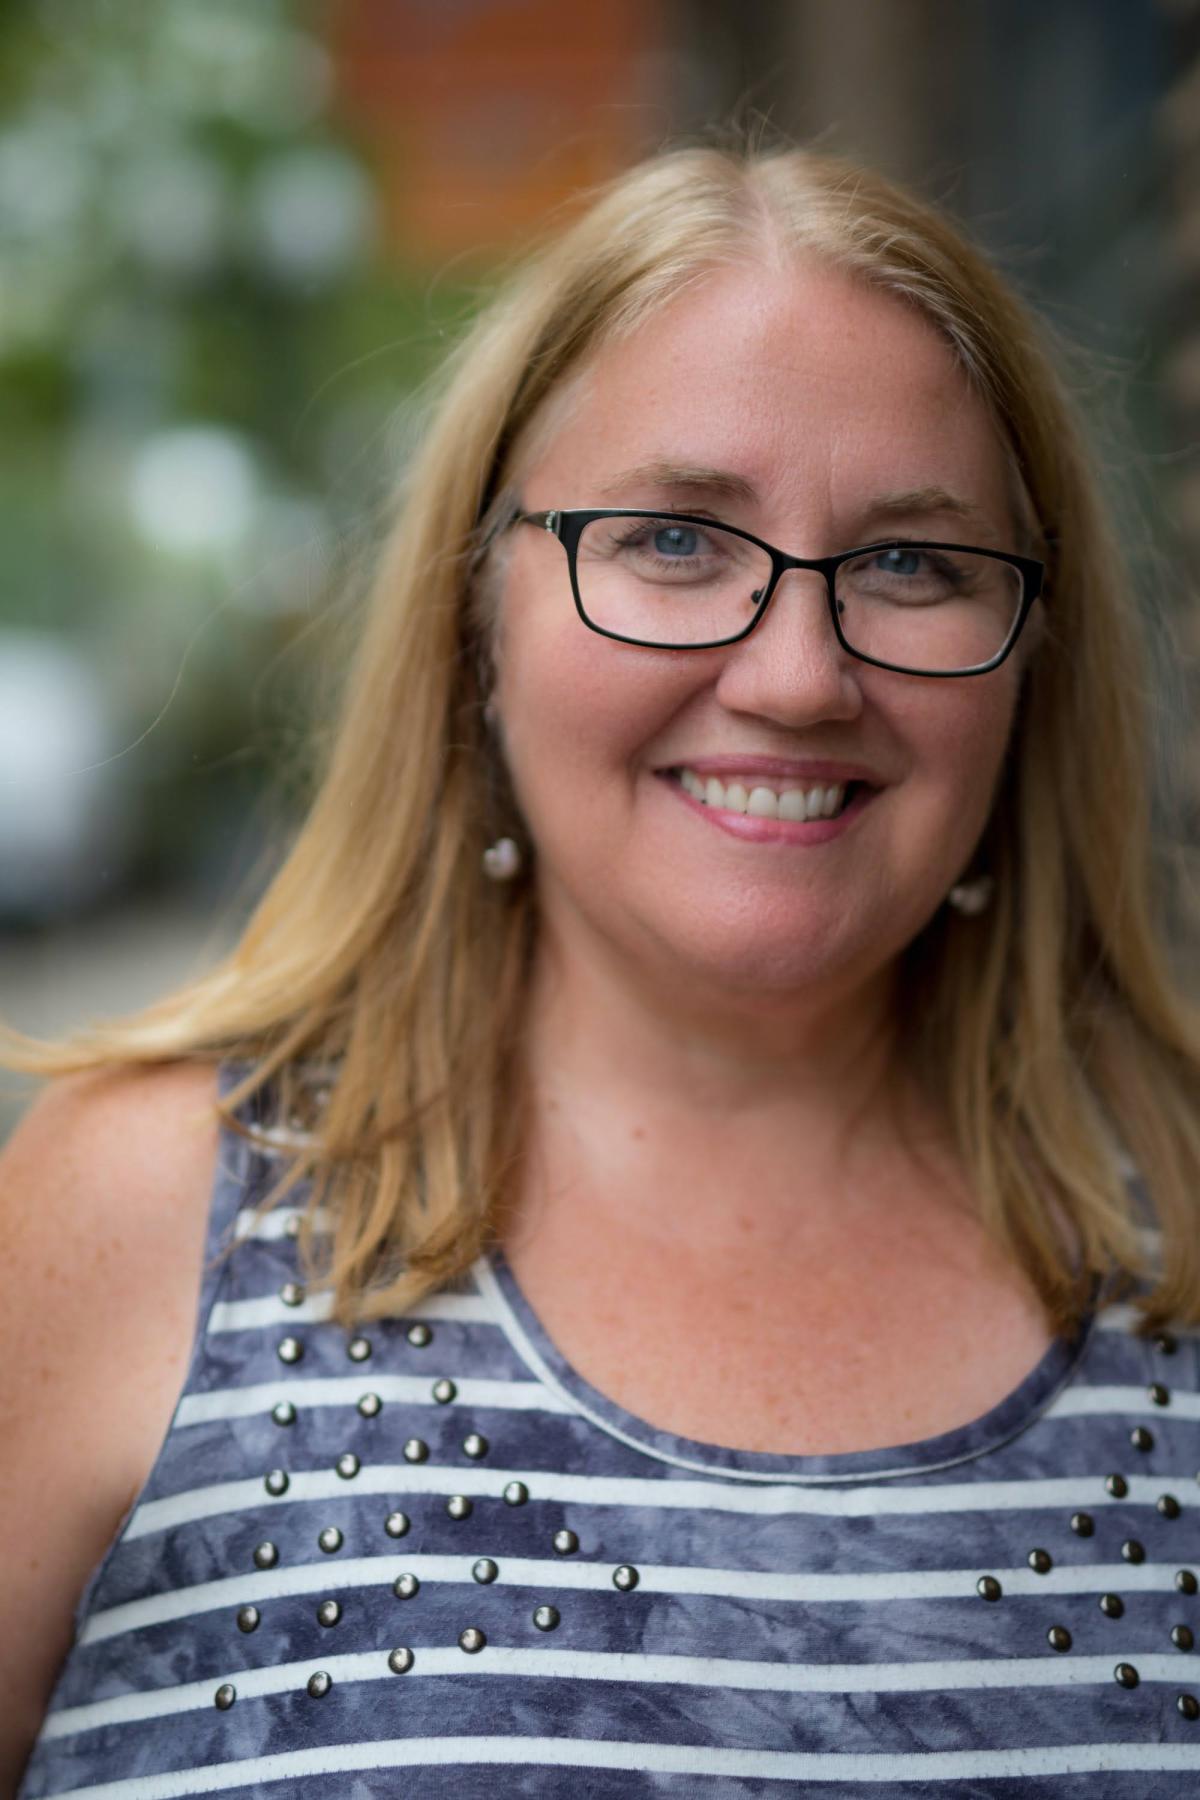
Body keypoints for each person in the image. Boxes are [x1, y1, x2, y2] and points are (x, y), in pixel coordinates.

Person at [4, 139, 1200, 1799]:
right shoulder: (138, 1217)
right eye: (672, 541)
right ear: (479, 613)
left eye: (914, 565)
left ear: (1033, 666)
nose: (798, 674)